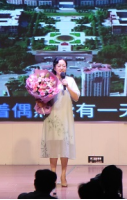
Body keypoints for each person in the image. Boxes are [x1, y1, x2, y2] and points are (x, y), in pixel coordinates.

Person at [39, 57, 80, 187]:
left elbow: (76, 97)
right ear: (54, 67)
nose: (62, 68)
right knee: (53, 145)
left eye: (64, 65)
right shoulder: (49, 80)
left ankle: (63, 175)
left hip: (65, 116)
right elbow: (42, 97)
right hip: (52, 116)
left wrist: (67, 86)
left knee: (64, 146)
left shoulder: (70, 80)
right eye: (59, 65)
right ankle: (52, 175)